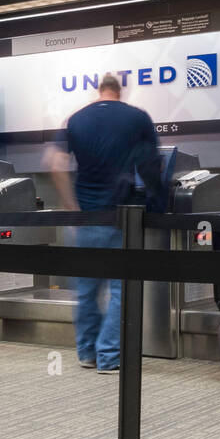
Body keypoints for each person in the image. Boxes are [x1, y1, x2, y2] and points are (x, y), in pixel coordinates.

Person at [44, 73, 163, 374]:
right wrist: (158, 206)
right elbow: (151, 167)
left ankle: (86, 353)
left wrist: (70, 203)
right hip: (120, 217)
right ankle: (109, 356)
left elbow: (55, 164)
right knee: (121, 291)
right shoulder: (137, 118)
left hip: (85, 217)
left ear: (99, 91)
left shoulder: (77, 119)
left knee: (86, 290)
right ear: (119, 92)